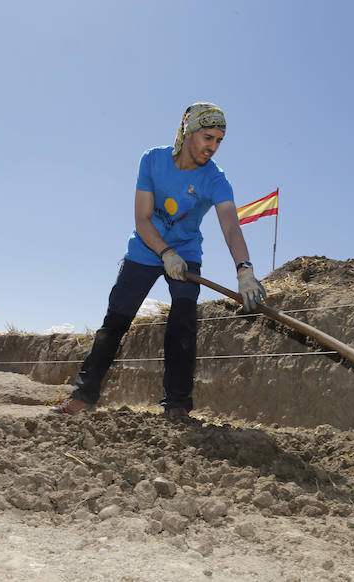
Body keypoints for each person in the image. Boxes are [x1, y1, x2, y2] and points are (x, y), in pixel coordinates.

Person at [53, 102, 266, 422]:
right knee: (116, 321)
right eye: (208, 137)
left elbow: (231, 226)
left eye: (219, 140)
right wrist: (166, 253)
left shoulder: (216, 180)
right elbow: (142, 219)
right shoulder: (152, 160)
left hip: (188, 254)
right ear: (188, 131)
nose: (213, 147)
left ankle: (177, 404)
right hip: (145, 250)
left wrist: (244, 269)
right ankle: (83, 395)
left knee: (183, 319)